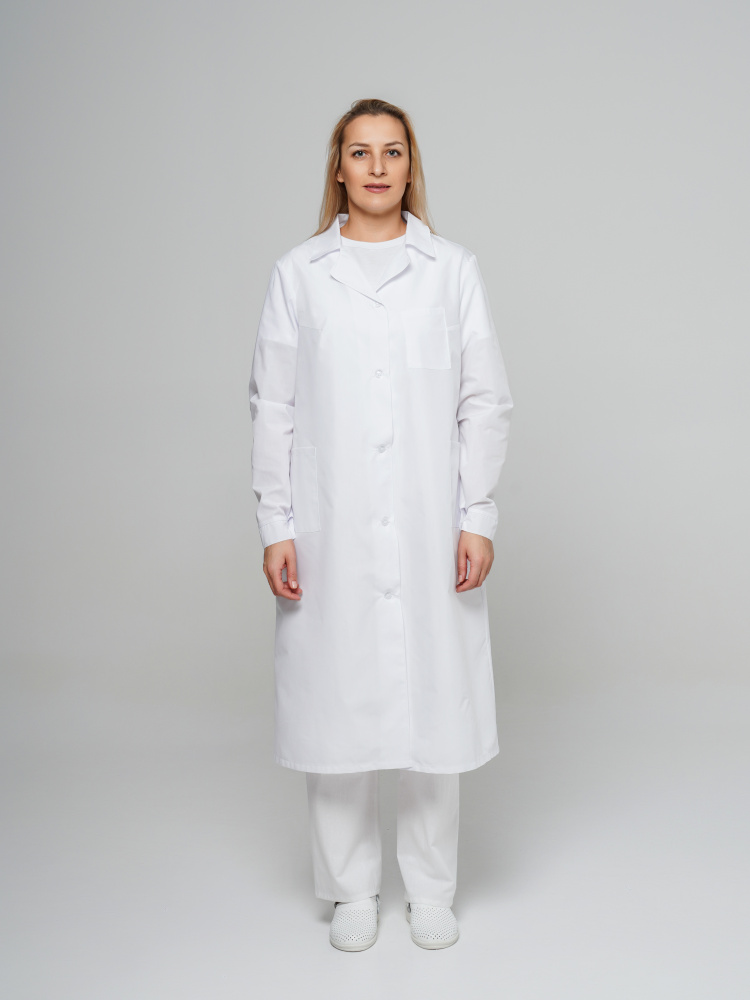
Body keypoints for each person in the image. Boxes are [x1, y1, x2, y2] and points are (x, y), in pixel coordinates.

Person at [248, 98, 514, 951]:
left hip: (433, 526)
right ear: (338, 167)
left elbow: (484, 400)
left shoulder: (451, 269)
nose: (376, 167)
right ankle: (351, 890)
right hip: (333, 528)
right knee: (338, 708)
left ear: (409, 166)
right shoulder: (300, 273)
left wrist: (476, 514)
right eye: (359, 152)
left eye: (391, 152)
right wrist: (277, 524)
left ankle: (430, 890)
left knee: (435, 709)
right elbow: (273, 407)